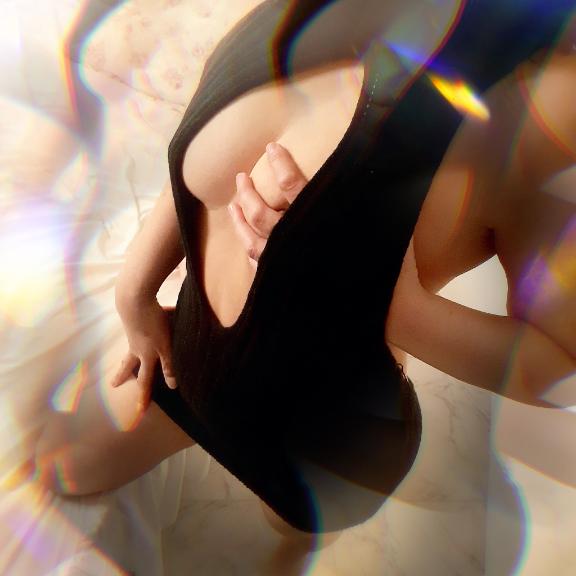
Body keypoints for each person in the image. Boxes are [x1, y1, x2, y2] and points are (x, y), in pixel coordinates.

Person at [33, 0, 575, 555]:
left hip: (322, 445)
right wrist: (135, 290)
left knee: (285, 546)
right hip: (184, 358)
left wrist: (385, 299)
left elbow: (557, 365)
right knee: (61, 468)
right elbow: (207, 166)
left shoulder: (547, 103)